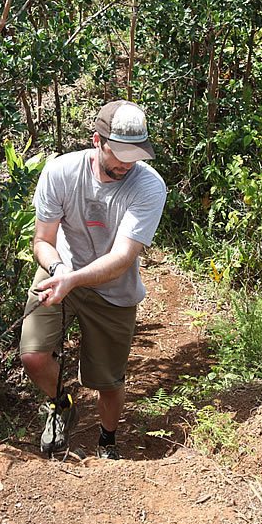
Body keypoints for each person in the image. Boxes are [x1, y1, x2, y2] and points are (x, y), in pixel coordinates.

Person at [19, 100, 167, 460]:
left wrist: (73, 279)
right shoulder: (61, 172)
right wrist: (59, 273)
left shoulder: (149, 186)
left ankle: (108, 441)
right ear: (97, 141)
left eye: (136, 155)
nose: (127, 163)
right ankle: (62, 406)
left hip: (113, 289)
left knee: (107, 380)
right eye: (119, 153)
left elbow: (121, 258)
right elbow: (43, 241)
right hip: (61, 271)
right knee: (33, 356)